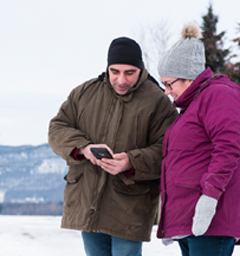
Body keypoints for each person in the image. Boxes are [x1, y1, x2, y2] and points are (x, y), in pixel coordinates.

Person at [48, 37, 178, 256]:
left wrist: (131, 162)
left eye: (129, 72)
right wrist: (83, 148)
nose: (121, 79)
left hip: (130, 205)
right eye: (115, 71)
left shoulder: (157, 101)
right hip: (88, 201)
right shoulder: (85, 93)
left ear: (140, 69)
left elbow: (169, 150)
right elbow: (57, 128)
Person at [156, 22, 240, 256]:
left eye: (168, 83)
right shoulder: (193, 105)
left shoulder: (219, 95)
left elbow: (228, 149)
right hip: (193, 222)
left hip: (214, 219)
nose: (166, 91)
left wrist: (209, 199)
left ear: (188, 77)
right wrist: (173, 218)